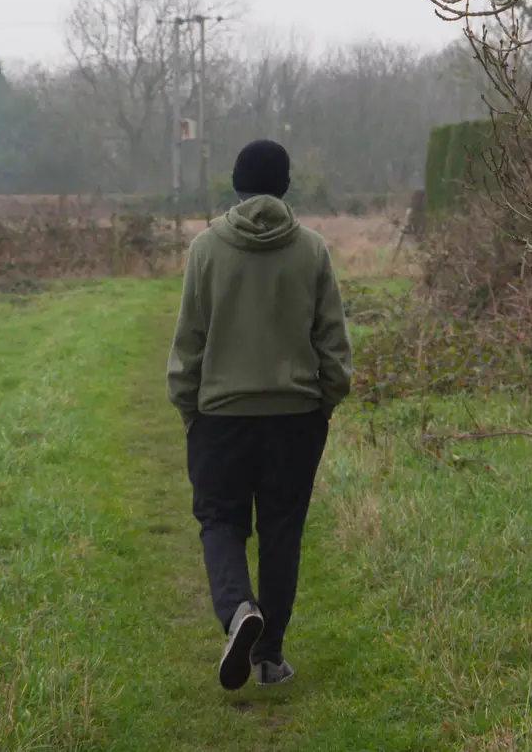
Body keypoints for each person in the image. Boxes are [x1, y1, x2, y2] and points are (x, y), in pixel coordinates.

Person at [167, 139, 354, 691]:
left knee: (220, 521)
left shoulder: (205, 249)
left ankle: (238, 613)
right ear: (286, 186)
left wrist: (189, 409)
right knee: (281, 530)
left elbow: (188, 344)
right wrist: (326, 400)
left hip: (220, 417)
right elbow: (333, 343)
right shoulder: (313, 251)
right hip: (296, 418)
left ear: (236, 184)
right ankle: (269, 657)